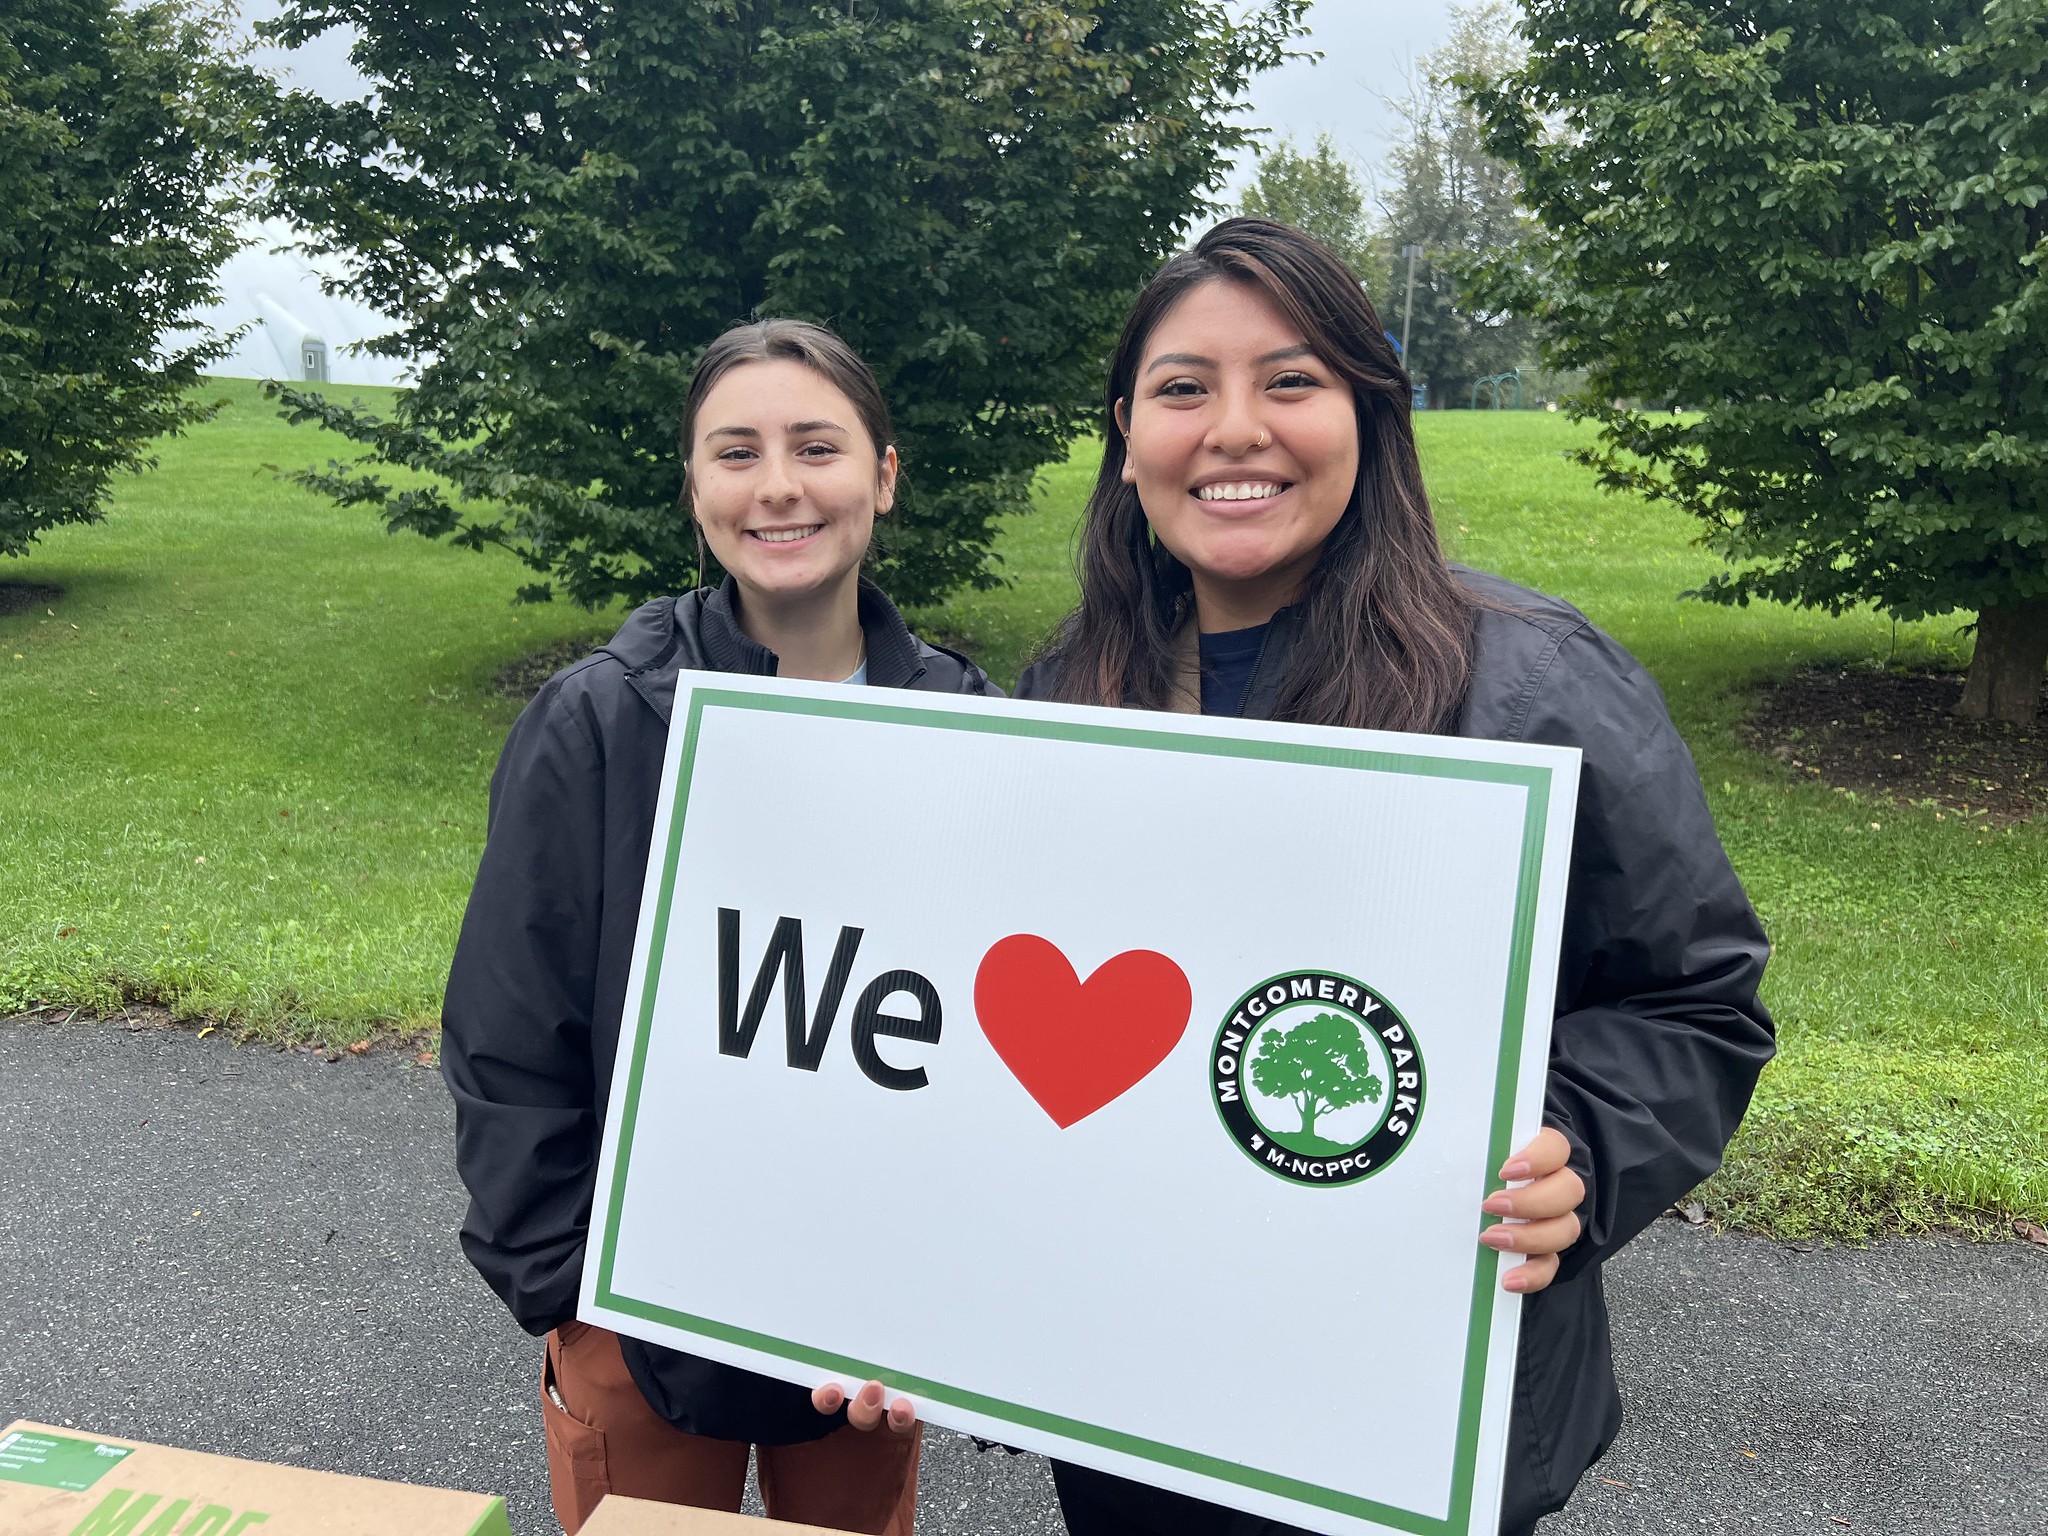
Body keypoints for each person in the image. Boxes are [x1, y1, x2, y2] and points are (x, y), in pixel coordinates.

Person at [1015, 219, 1775, 1536]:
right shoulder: (1078, 688)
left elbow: (1694, 1002)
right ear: (1127, 434)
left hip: (1411, 1408)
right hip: (1139, 1404)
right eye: (1185, 387)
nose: (1236, 428)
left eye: (1292, 382)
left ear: (1372, 418)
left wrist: (1580, 1150)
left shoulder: (1529, 683)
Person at [441, 318, 990, 1535]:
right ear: (693, 489)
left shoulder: (971, 724)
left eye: (817, 446)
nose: (779, 485)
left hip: (865, 1341)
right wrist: (570, 1293)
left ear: (883, 475)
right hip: (635, 1321)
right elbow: (508, 1026)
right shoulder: (597, 720)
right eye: (735, 453)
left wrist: (953, 1297)